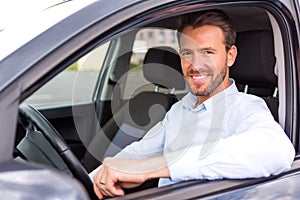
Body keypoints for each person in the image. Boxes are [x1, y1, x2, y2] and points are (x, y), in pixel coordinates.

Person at [91, 9, 295, 199]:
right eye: (187, 53)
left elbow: (276, 151)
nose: (196, 65)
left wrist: (154, 167)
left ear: (230, 56)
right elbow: (137, 153)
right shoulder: (179, 110)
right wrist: (92, 180)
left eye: (208, 52)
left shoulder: (245, 107)